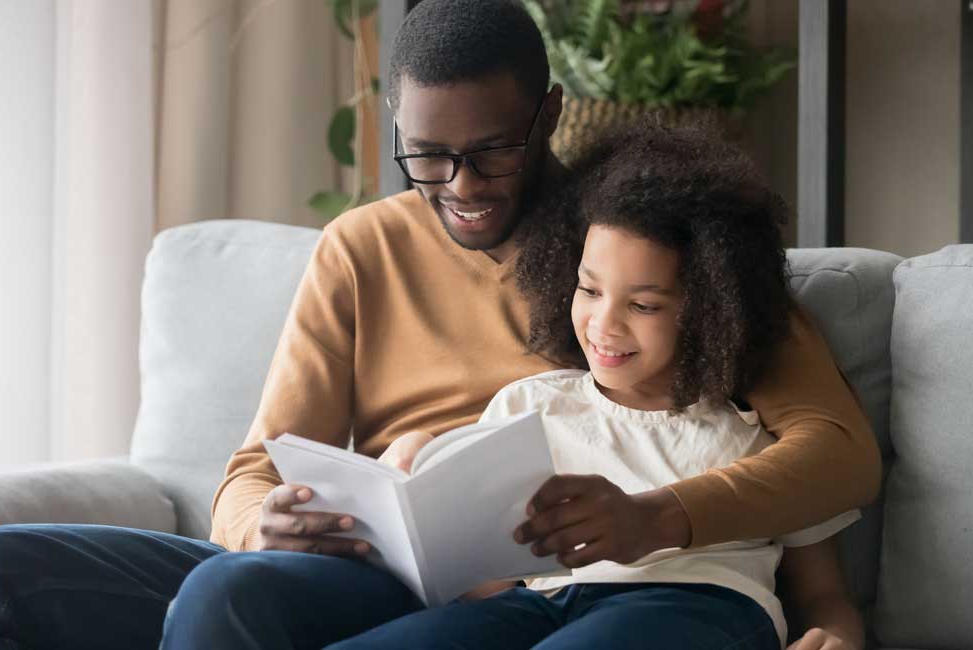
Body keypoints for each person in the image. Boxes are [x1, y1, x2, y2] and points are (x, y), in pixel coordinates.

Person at [0, 1, 878, 649]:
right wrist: (269, 522)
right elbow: (257, 467)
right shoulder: (359, 249)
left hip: (527, 583)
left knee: (226, 600)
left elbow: (836, 454)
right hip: (360, 568)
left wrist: (658, 521)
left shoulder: (642, 243)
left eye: (489, 153)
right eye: (427, 157)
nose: (458, 188)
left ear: (546, 116)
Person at [327, 122, 864, 650]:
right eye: (589, 289)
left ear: (711, 311)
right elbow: (486, 584)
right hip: (540, 605)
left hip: (697, 603)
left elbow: (822, 593)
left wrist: (840, 631)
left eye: (644, 305)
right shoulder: (529, 406)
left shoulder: (753, 436)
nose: (604, 324)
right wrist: (413, 486)